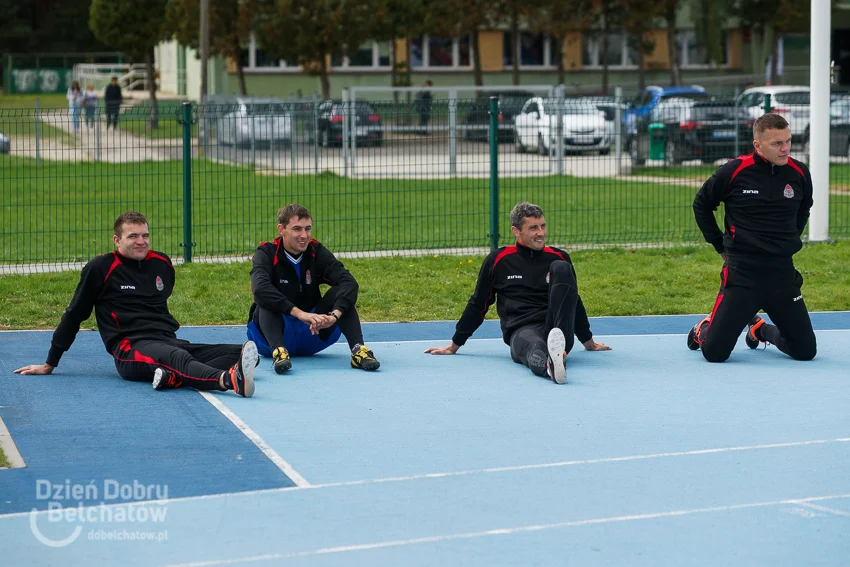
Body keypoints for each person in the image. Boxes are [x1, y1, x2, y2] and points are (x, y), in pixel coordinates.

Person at [14, 211, 258, 397]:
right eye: (133, 236)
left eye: (145, 235)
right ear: (116, 240)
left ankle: (172, 378)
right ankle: (229, 381)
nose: (141, 241)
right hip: (131, 348)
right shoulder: (100, 268)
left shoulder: (162, 264)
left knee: (246, 353)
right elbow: (74, 315)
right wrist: (50, 363)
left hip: (168, 341)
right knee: (174, 356)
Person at [424, 202, 611, 384]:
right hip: (522, 330)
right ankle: (551, 366)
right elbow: (479, 304)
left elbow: (573, 300)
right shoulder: (499, 260)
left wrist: (588, 341)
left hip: (558, 327)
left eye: (543, 226)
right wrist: (455, 344)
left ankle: (557, 349)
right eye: (533, 228)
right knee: (534, 348)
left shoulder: (559, 257)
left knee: (561, 268)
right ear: (516, 231)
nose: (541, 233)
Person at [688, 113, 816, 363]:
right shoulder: (734, 171)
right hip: (742, 275)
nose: (785, 148)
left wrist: (789, 239)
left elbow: (804, 209)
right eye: (777, 143)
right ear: (758, 145)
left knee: (805, 351)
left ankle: (759, 330)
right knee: (715, 354)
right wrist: (718, 243)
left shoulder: (799, 173)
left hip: (782, 275)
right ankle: (704, 328)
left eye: (788, 141)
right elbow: (701, 205)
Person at [246, 204, 380, 374]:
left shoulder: (316, 251)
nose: (304, 235)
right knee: (265, 298)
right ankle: (279, 352)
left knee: (341, 292)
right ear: (281, 229)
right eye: (297, 229)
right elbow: (259, 288)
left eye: (307, 229)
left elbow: (349, 282)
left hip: (314, 331)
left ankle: (358, 350)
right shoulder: (266, 253)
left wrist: (334, 315)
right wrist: (300, 313)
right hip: (272, 337)